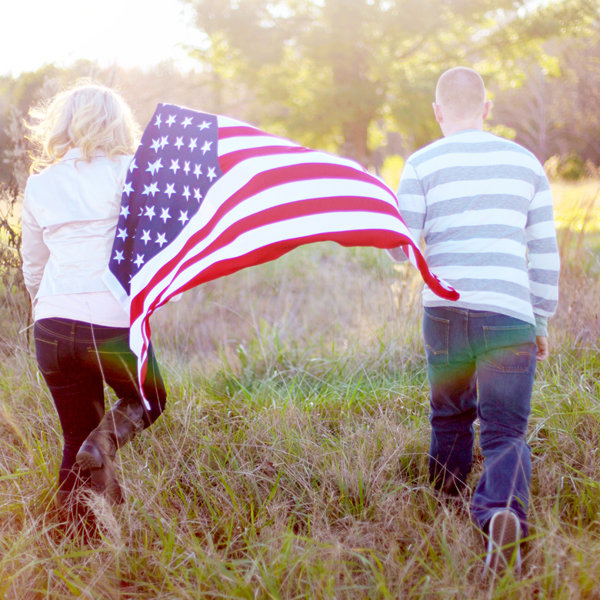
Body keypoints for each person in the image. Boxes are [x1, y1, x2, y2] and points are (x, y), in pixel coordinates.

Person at [388, 67, 559, 576]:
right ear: (487, 108)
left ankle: (447, 501)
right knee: (506, 430)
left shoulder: (420, 164)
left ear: (438, 111)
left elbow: (402, 250)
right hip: (509, 314)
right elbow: (544, 250)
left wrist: (379, 219)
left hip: (443, 312)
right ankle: (502, 511)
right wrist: (542, 318)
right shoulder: (525, 163)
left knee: (449, 413)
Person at [21, 83, 167, 524]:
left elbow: (33, 265)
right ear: (117, 123)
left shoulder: (41, 183)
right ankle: (102, 451)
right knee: (150, 399)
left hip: (52, 323)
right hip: (112, 320)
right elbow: (153, 250)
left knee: (74, 436)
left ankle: (75, 535)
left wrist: (46, 310)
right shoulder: (134, 172)